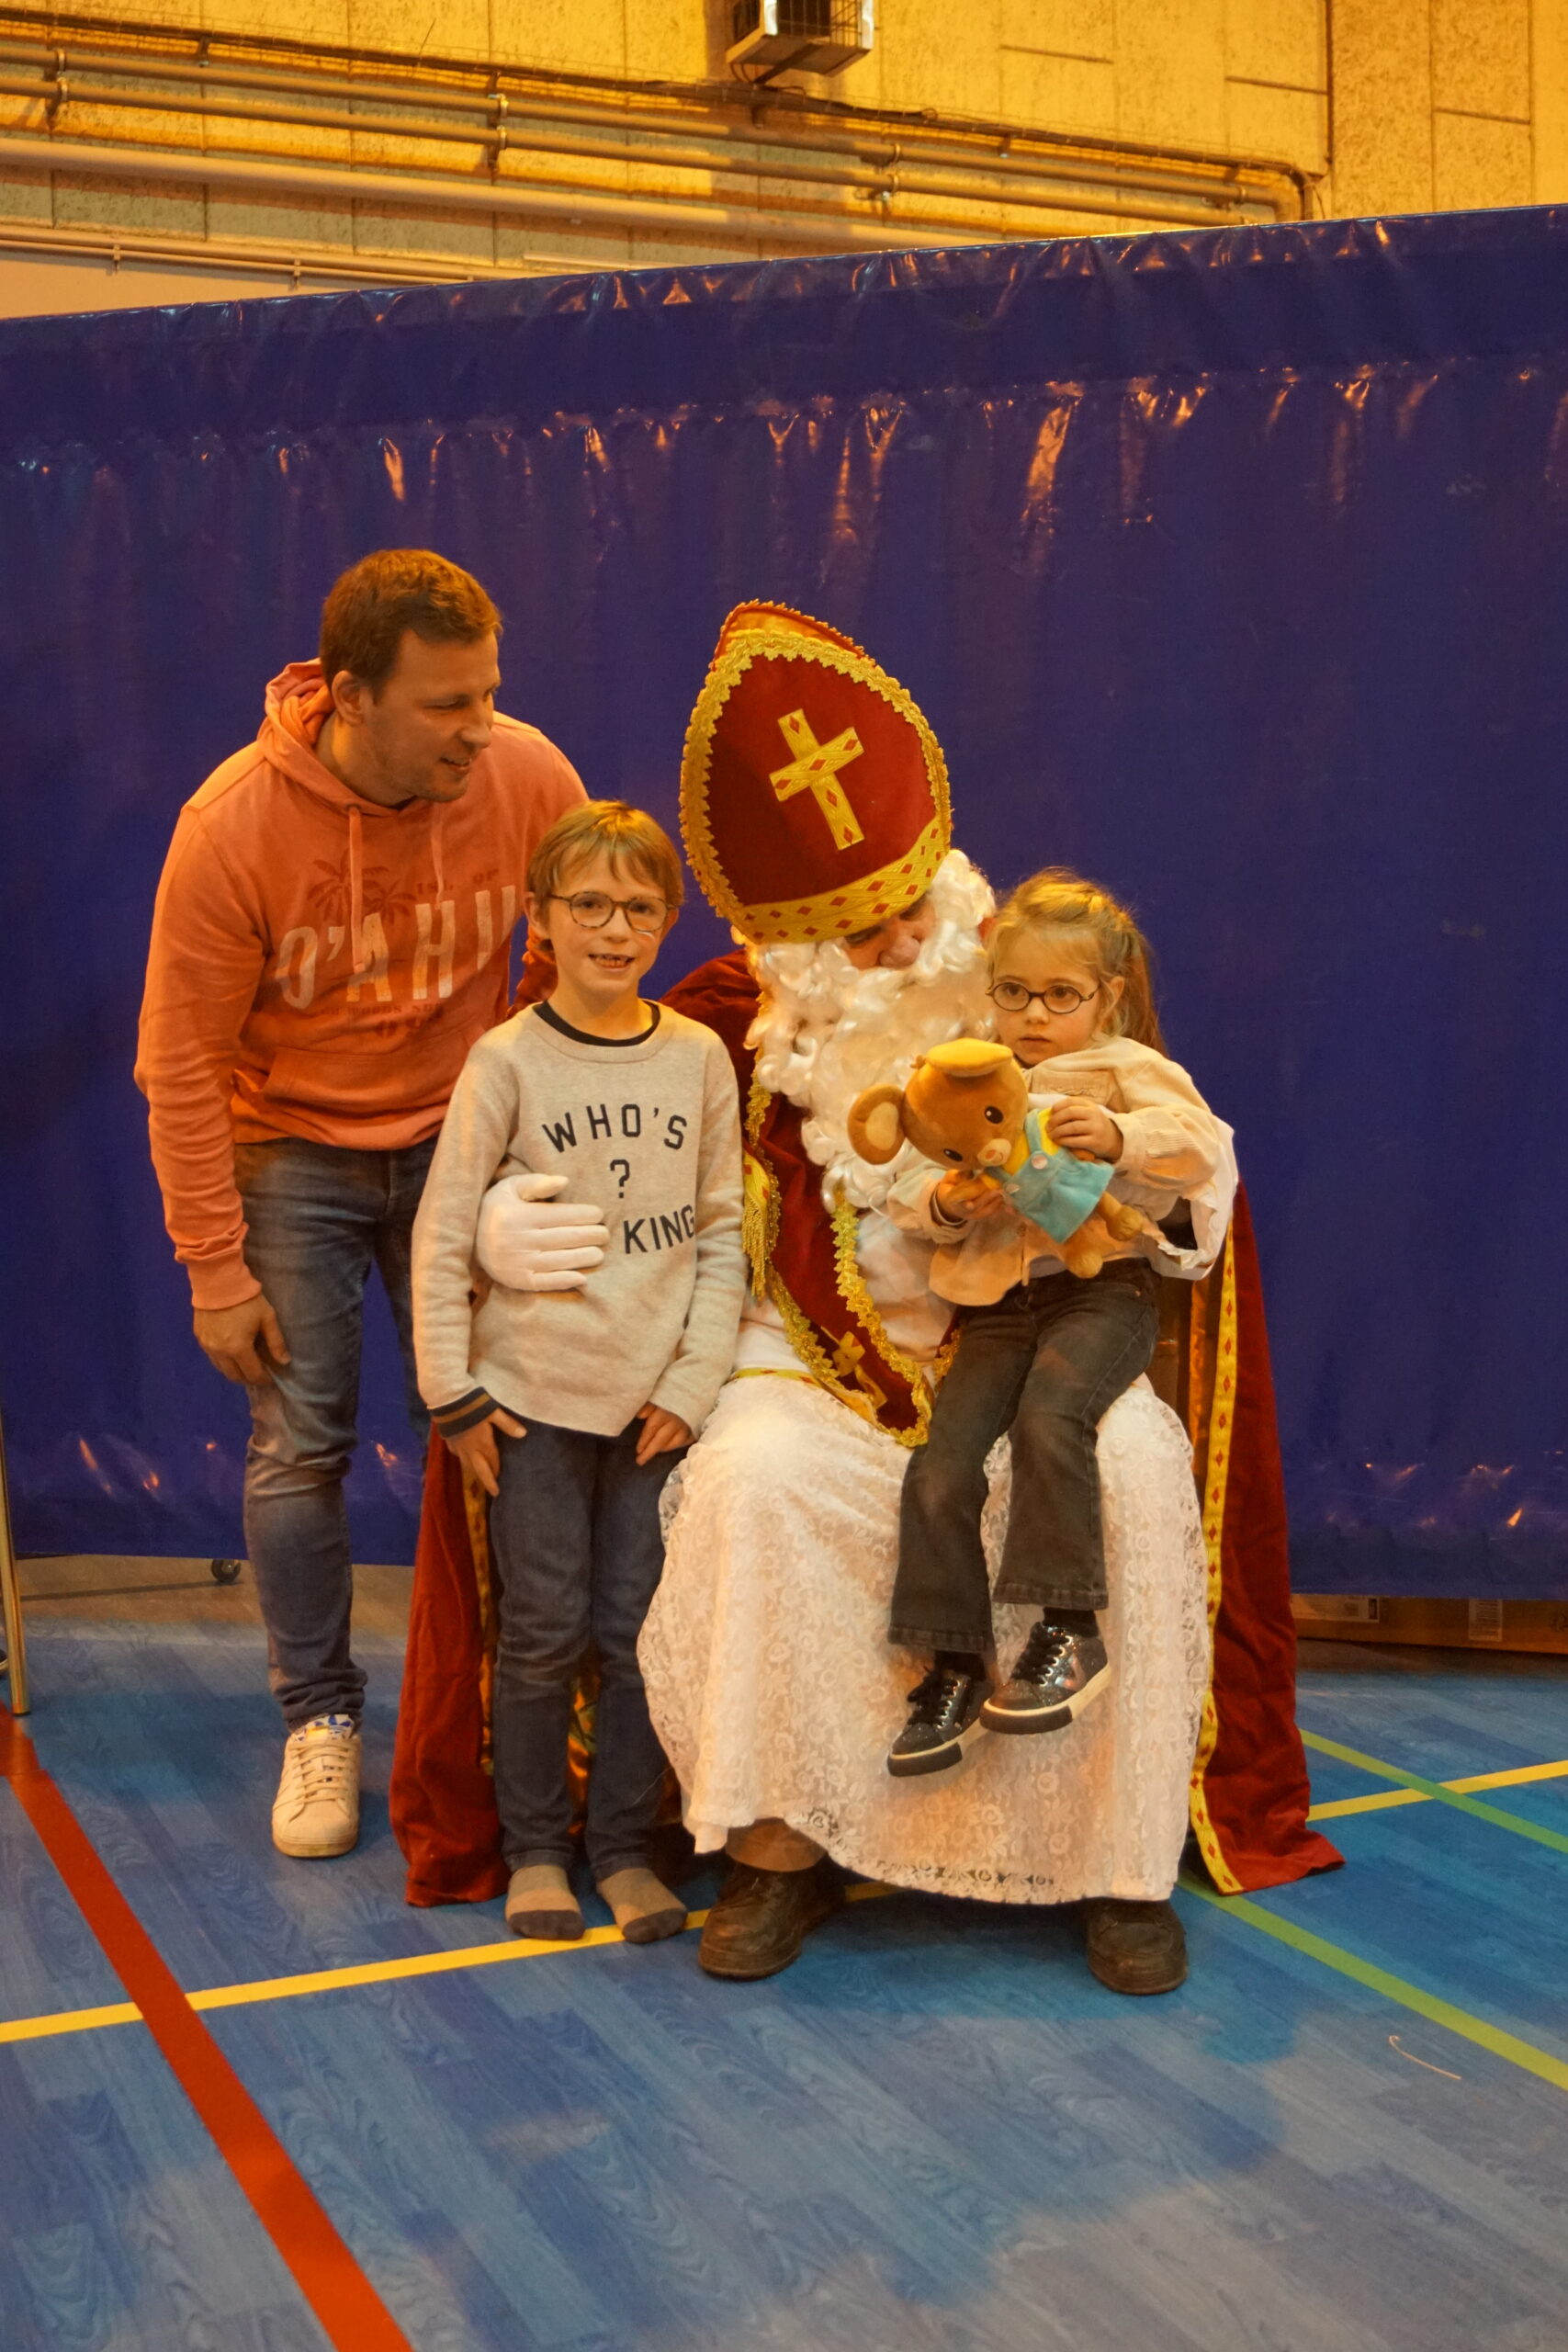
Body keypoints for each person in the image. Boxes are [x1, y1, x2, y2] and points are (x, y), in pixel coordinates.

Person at [389, 605, 1338, 1984]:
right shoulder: (731, 1021)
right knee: (751, 1487)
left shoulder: (1035, 981)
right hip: (803, 1365)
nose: (897, 946)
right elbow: (603, 1136)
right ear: (788, 947)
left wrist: (1128, 1168)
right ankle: (781, 1850)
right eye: (857, 930)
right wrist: (490, 1232)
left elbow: (1187, 1175)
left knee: (1133, 1471)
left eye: (908, 911)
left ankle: (1112, 1866)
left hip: (1033, 1337)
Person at [136, 548, 584, 1860]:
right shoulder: (231, 827)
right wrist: (214, 1266)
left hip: (459, 1139)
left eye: (488, 692)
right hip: (292, 1154)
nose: (479, 726)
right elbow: (179, 1063)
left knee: (503, 1414)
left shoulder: (525, 774)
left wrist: (515, 1087)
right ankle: (320, 1718)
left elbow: (581, 947)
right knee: (301, 1444)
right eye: (446, 703)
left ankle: (512, 1711)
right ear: (349, 696)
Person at [410, 800, 745, 1943]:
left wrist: (692, 1385)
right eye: (589, 905)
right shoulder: (506, 1058)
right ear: (539, 916)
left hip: (653, 1411)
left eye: (639, 908)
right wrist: (452, 1388)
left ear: (669, 919)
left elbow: (721, 1234)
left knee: (638, 1633)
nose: (614, 929)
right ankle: (538, 1852)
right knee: (543, 1632)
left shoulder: (698, 1056)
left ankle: (625, 1851)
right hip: (531, 1406)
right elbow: (444, 1229)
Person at [877, 868, 1232, 1779]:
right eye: (1014, 993)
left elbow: (1202, 1146)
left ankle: (1068, 1628)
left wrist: (1119, 1136)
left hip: (1102, 1291)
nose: (1034, 1015)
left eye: (1060, 996)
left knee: (1050, 1417)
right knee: (941, 1466)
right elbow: (908, 1177)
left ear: (1105, 997)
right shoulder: (967, 1070)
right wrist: (948, 1201)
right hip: (998, 1306)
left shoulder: (1122, 1069)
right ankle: (954, 1663)